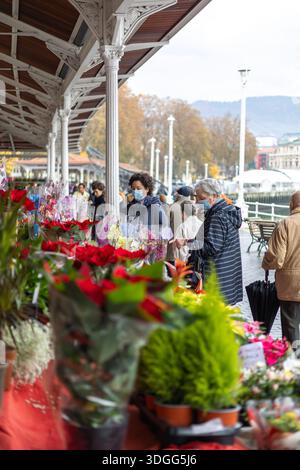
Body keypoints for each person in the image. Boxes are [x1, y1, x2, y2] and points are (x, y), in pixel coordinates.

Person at [190, 178, 243, 305]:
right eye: (196, 197)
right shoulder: (227, 212)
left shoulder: (217, 216)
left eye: (200, 197)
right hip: (228, 277)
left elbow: (210, 247)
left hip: (217, 279)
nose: (197, 201)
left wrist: (189, 243)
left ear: (213, 196)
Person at [262, 191, 300, 346]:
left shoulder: (285, 224)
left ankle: (294, 361)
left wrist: (265, 263)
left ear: (291, 204)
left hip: (290, 284)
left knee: (291, 325)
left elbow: (277, 258)